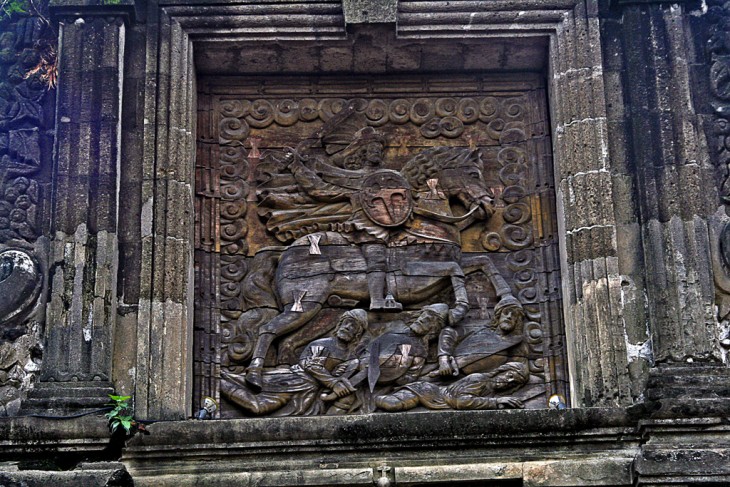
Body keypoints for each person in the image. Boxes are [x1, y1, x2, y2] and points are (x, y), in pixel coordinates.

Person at [221, 309, 368, 416]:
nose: (348, 327)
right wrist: (333, 383)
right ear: (340, 324)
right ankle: (218, 382)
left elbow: (341, 373)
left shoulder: (349, 355)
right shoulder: (324, 344)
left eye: (353, 326)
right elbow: (311, 365)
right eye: (347, 323)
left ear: (358, 334)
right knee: (257, 407)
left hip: (309, 391)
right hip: (292, 380)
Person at [375, 361, 528, 412]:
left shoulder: (492, 392)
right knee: (392, 405)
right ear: (502, 370)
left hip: (439, 403)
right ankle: (371, 399)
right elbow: (462, 402)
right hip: (428, 393)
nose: (508, 381)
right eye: (509, 375)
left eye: (514, 382)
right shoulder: (479, 378)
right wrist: (496, 402)